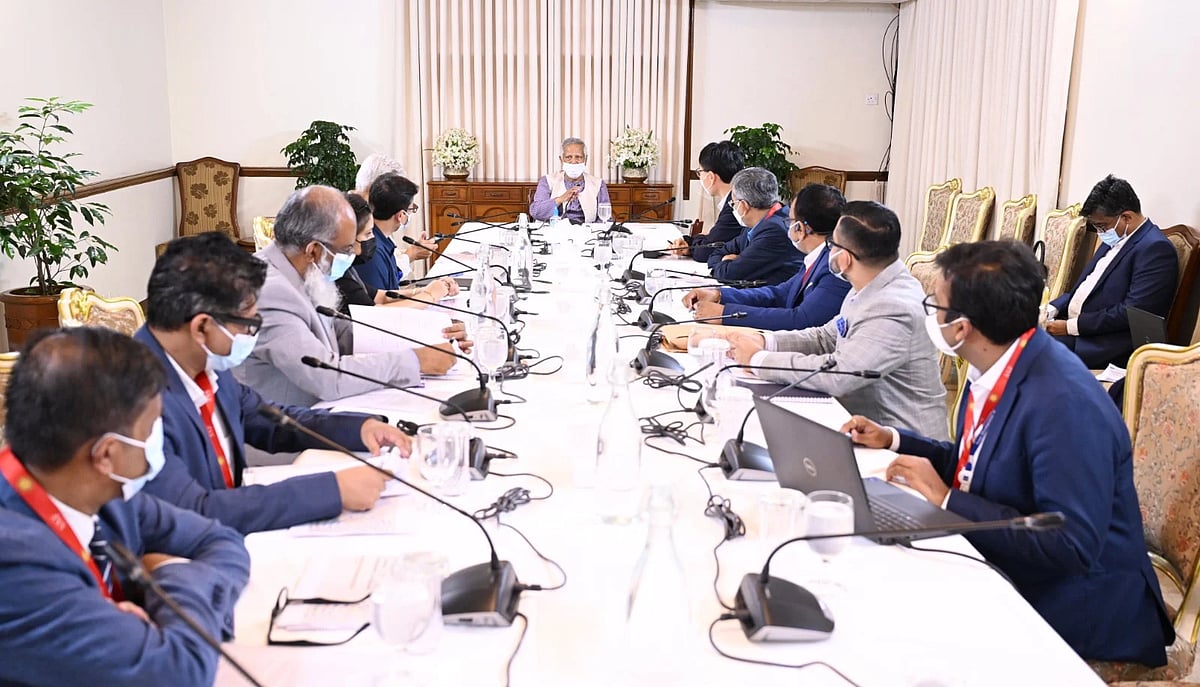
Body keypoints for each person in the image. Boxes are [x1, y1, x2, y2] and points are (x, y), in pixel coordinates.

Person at [843, 240, 1172, 666]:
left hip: (1077, 605)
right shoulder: (1003, 362)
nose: (930, 314)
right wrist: (893, 439)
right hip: (1008, 561)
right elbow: (983, 461)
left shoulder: (1063, 404)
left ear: (962, 327)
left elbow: (1069, 545)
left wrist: (946, 499)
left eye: (935, 305)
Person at [0, 327, 250, 686]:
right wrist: (171, 576)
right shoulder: (14, 563)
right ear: (106, 454)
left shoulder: (99, 491)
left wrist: (151, 605)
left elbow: (223, 540)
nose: (156, 441)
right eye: (150, 430)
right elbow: (179, 674)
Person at [136, 232, 414, 534]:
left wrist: (358, 428)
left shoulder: (200, 361)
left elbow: (267, 418)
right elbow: (195, 510)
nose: (253, 335)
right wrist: (331, 491)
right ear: (202, 326)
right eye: (249, 324)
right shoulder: (135, 399)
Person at [726, 201, 948, 439]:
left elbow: (840, 374)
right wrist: (764, 341)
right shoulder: (870, 281)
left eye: (832, 245)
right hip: (860, 426)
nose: (828, 250)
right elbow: (826, 336)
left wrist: (759, 360)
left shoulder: (894, 306)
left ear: (845, 258)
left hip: (902, 447)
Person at [236, 185, 463, 407]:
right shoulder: (269, 290)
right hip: (287, 431)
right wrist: (416, 361)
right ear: (313, 250)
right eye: (345, 249)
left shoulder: (299, 268)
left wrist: (432, 330)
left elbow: (340, 331)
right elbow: (324, 375)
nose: (355, 252)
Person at [1045, 175, 1178, 368]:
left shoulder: (1155, 249)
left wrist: (1069, 327)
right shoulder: (1116, 237)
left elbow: (1131, 313)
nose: (1100, 232)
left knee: (1028, 348)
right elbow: (1085, 287)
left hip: (1104, 345)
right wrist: (1051, 309)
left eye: (1102, 226)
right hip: (1076, 329)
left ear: (1126, 217)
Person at [682, 183, 850, 330]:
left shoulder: (834, 267)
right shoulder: (817, 256)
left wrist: (726, 313)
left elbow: (801, 319)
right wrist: (720, 295)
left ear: (801, 228)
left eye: (790, 221)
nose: (788, 226)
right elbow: (781, 293)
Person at [337, 192, 458, 313]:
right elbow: (375, 314)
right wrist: (430, 296)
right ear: (348, 238)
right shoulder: (336, 273)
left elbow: (380, 296)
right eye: (368, 233)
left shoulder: (346, 269)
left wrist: (425, 290)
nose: (373, 237)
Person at [705, 167, 804, 286]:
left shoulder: (775, 232)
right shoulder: (757, 223)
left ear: (743, 205)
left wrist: (726, 261)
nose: (733, 207)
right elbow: (717, 253)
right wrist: (727, 261)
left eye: (733, 203)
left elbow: (729, 275)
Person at [354, 173, 437, 292]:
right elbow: (379, 303)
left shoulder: (383, 240)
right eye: (411, 209)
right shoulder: (371, 251)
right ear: (401, 215)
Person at [669, 140, 746, 263]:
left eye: (700, 172)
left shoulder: (735, 206)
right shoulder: (735, 199)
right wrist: (690, 244)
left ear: (711, 177)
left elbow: (705, 251)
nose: (700, 177)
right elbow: (711, 241)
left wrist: (694, 244)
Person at [529, 137, 611, 224]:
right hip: (553, 232)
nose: (573, 161)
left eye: (578, 157)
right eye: (568, 157)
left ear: (585, 159)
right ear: (561, 159)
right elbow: (536, 212)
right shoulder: (547, 180)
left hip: (586, 233)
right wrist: (560, 199)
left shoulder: (598, 184)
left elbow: (605, 218)